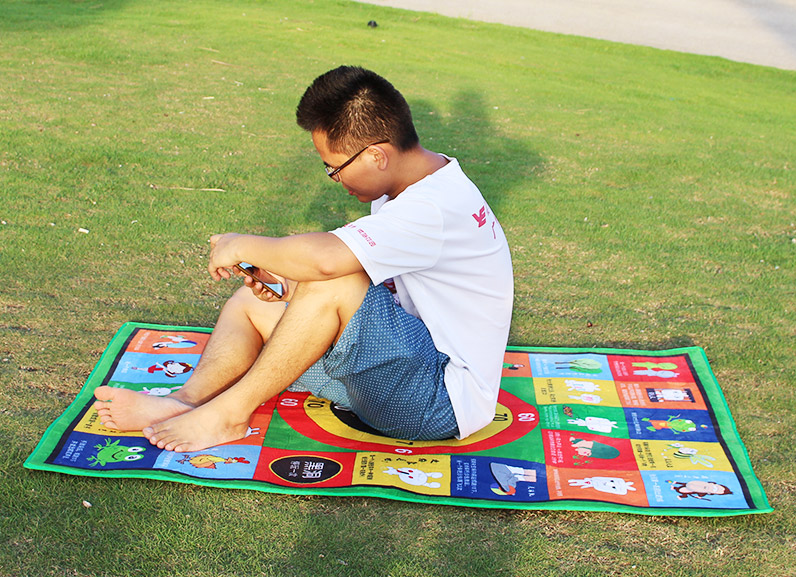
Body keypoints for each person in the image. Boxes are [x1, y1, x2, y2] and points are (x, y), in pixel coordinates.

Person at [94, 66, 514, 452]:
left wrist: (242, 243)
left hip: (438, 402)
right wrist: (287, 284)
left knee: (334, 278)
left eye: (335, 168)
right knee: (255, 301)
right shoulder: (417, 185)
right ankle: (183, 401)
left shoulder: (433, 208)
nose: (334, 180)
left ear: (376, 155)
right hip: (404, 369)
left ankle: (228, 415)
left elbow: (329, 264)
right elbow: (372, 287)